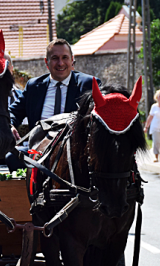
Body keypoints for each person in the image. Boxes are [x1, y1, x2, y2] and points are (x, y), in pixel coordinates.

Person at [5, 38, 100, 172]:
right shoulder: (34, 87)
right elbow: (13, 112)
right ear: (46, 62)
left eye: (64, 57)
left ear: (72, 60)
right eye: (55, 58)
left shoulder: (88, 85)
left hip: (74, 153)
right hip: (38, 151)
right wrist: (10, 125)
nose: (60, 63)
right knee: (12, 157)